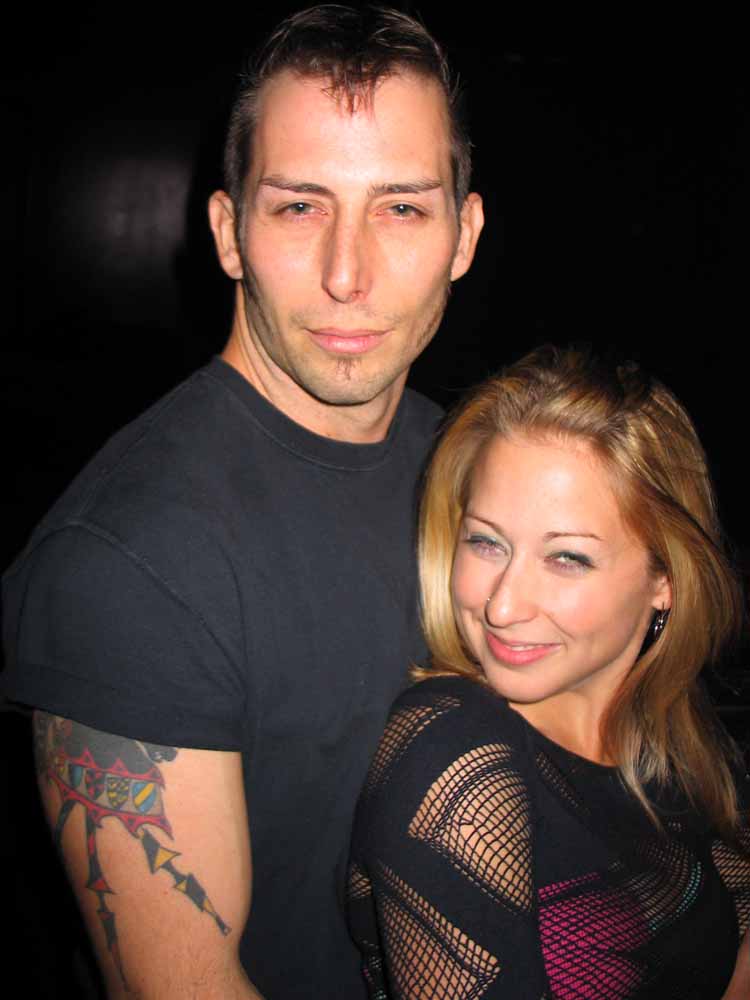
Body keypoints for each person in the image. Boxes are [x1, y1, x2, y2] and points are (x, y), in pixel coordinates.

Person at [1, 6, 483, 998]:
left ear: (463, 236)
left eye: (401, 208)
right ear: (228, 233)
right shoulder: (130, 562)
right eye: (300, 207)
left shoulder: (476, 468)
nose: (348, 275)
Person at [348, 345, 750, 999]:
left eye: (566, 558)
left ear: (666, 578)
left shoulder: (683, 746)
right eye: (486, 542)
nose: (502, 606)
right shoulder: (454, 750)